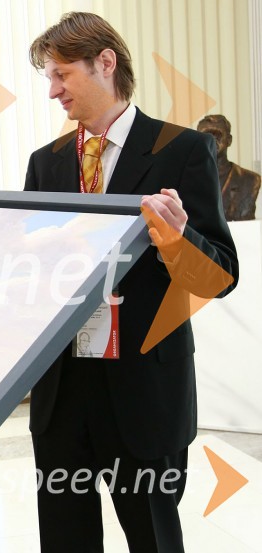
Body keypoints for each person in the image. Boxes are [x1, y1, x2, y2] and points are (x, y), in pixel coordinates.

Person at [24, 12, 238, 552]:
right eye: (48, 78)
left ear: (105, 63)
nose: (52, 92)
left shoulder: (184, 151)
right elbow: (32, 274)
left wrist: (175, 239)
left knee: (153, 538)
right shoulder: (44, 164)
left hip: (144, 393)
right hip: (62, 396)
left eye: (61, 75)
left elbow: (218, 277)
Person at [196, 114, 261, 221]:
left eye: (217, 136)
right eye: (206, 136)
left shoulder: (250, 180)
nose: (212, 141)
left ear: (229, 140)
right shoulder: (186, 178)